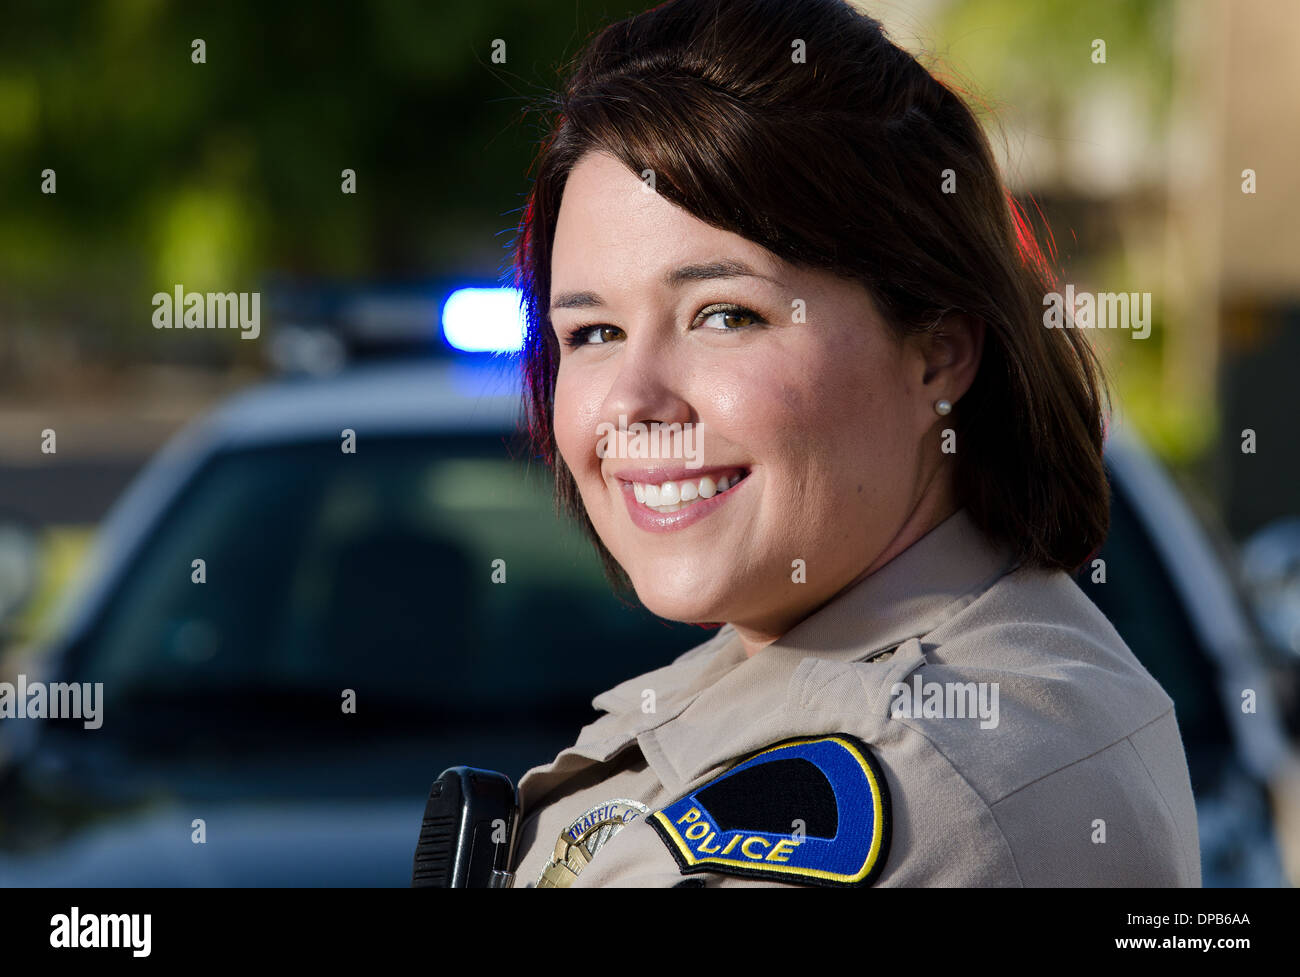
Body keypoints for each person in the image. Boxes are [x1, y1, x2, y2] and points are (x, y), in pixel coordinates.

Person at [506, 0, 1200, 887]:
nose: (634, 401)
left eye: (725, 315)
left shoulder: (899, 781)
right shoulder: (1014, 652)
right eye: (593, 332)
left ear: (937, 354)